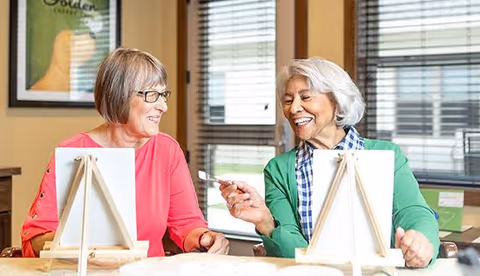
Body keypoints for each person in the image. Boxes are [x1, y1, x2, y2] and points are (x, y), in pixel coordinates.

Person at [219, 57, 439, 268]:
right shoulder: (278, 170)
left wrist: (421, 241)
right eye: (288, 100)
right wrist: (266, 222)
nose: (293, 108)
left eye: (305, 97)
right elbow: (292, 253)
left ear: (337, 100)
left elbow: (414, 212)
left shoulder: (387, 154)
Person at [21, 48, 229, 257]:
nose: (163, 106)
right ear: (118, 96)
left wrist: (204, 237)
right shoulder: (72, 152)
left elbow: (186, 223)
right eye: (152, 95)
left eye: (163, 95)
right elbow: (36, 238)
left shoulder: (167, 150)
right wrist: (78, 240)